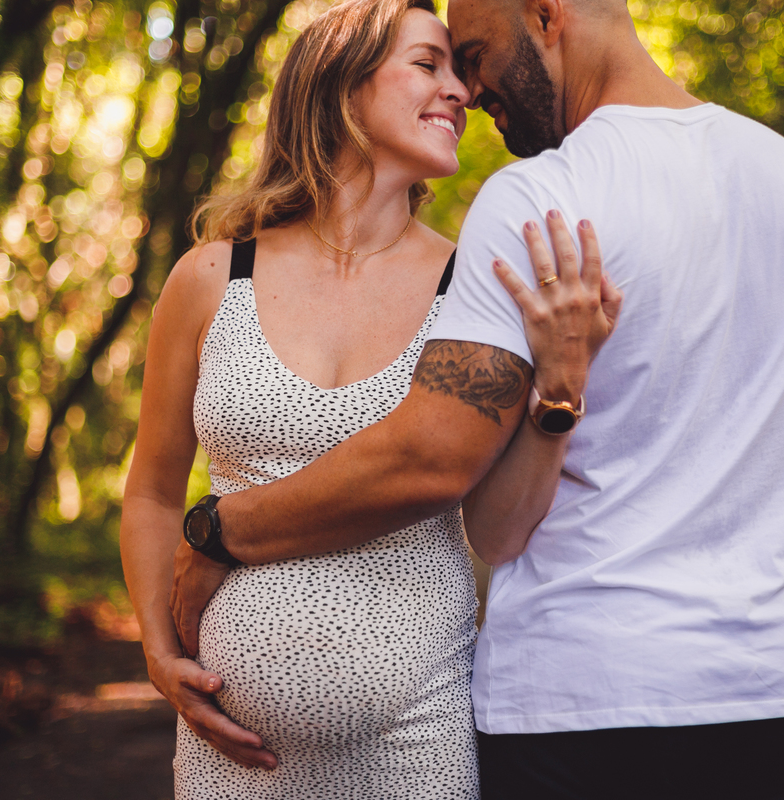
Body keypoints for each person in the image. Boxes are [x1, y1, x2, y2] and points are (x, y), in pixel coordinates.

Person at [170, 0, 784, 797]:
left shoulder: (542, 202)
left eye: (474, 56)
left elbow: (444, 471)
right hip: (768, 700)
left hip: (576, 702)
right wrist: (783, 620)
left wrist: (219, 531)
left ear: (546, 15)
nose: (471, 91)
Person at [120, 0, 620, 797]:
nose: (462, 90)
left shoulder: (475, 289)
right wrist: (157, 650)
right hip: (227, 762)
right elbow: (151, 488)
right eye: (428, 64)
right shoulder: (211, 277)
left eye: (461, 71)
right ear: (341, 82)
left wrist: (559, 389)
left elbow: (497, 524)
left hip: (418, 747)